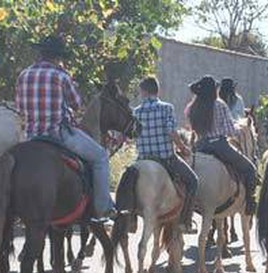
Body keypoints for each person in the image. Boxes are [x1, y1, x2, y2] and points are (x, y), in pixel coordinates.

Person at [15, 35, 116, 221]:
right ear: (58, 57)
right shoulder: (61, 75)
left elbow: (20, 108)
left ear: (41, 53)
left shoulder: (24, 75)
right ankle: (103, 209)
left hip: (30, 137)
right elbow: (77, 104)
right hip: (58, 134)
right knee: (101, 156)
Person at [133, 76, 198, 232]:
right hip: (166, 159)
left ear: (143, 91)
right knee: (193, 181)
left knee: (127, 182)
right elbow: (171, 132)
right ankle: (185, 221)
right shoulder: (166, 108)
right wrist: (182, 148)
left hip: (142, 159)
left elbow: (132, 134)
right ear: (157, 90)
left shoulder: (136, 111)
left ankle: (130, 219)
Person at [187, 75, 258, 215]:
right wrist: (241, 128)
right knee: (250, 169)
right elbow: (229, 130)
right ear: (214, 90)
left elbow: (193, 128)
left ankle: (187, 209)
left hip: (199, 146)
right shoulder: (220, 105)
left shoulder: (193, 107)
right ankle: (250, 202)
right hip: (219, 145)